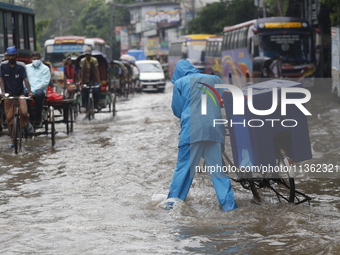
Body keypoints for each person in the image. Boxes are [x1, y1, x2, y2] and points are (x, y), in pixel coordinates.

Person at [167, 59, 238, 212]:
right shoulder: (214, 79)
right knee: (218, 171)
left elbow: (177, 110)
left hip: (192, 132)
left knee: (184, 169)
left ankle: (172, 205)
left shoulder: (180, 83)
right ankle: (229, 207)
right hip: (214, 130)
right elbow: (226, 100)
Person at [0, 46, 34, 149]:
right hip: (8, 95)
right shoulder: (2, 66)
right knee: (9, 119)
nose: (11, 57)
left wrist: (29, 91)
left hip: (20, 93)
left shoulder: (21, 66)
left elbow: (26, 80)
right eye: (9, 55)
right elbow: (1, 79)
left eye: (13, 55)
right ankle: (12, 139)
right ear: (7, 56)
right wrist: (3, 92)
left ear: (16, 56)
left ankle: (27, 123)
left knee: (24, 112)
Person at [26, 51, 51, 126]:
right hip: (27, 89)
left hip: (39, 89)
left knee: (39, 96)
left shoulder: (45, 69)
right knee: (23, 97)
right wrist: (28, 90)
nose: (36, 60)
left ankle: (38, 118)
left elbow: (45, 82)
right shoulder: (26, 68)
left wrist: (32, 91)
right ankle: (28, 116)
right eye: (34, 59)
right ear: (31, 59)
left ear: (40, 59)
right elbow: (23, 79)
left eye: (38, 59)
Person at [79, 49, 101, 115]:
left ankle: (96, 104)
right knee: (84, 92)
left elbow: (97, 71)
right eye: (86, 55)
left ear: (90, 55)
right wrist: (82, 82)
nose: (87, 56)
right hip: (85, 79)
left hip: (93, 79)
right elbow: (82, 72)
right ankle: (86, 106)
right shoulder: (82, 61)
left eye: (88, 55)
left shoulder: (94, 60)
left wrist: (99, 81)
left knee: (96, 90)